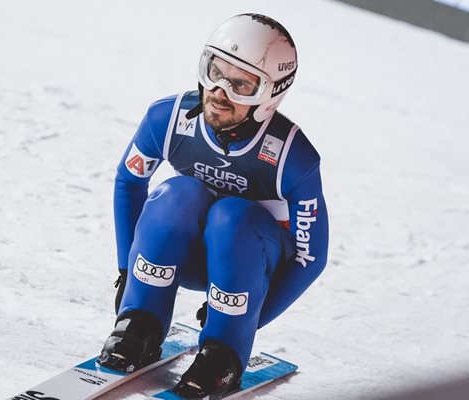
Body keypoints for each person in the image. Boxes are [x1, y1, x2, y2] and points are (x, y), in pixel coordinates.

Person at [97, 13, 329, 398]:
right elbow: (129, 181)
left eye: (241, 84)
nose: (220, 91)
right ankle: (141, 323)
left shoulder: (292, 157)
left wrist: (252, 317)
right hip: (184, 255)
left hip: (252, 267)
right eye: (214, 72)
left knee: (232, 216)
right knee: (176, 194)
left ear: (270, 93)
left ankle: (223, 353)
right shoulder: (167, 118)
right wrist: (127, 272)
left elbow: (310, 257)